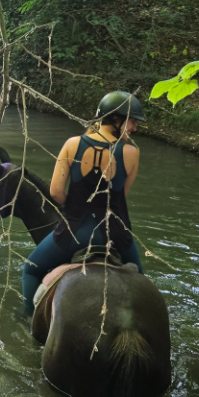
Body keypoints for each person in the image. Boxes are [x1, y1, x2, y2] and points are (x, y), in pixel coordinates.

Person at [22, 91, 145, 315]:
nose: (134, 128)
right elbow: (120, 198)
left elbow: (56, 192)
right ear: (116, 120)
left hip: (74, 232)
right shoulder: (132, 153)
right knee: (143, 283)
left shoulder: (72, 144)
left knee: (30, 270)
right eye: (132, 121)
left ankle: (28, 321)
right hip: (115, 235)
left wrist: (76, 208)